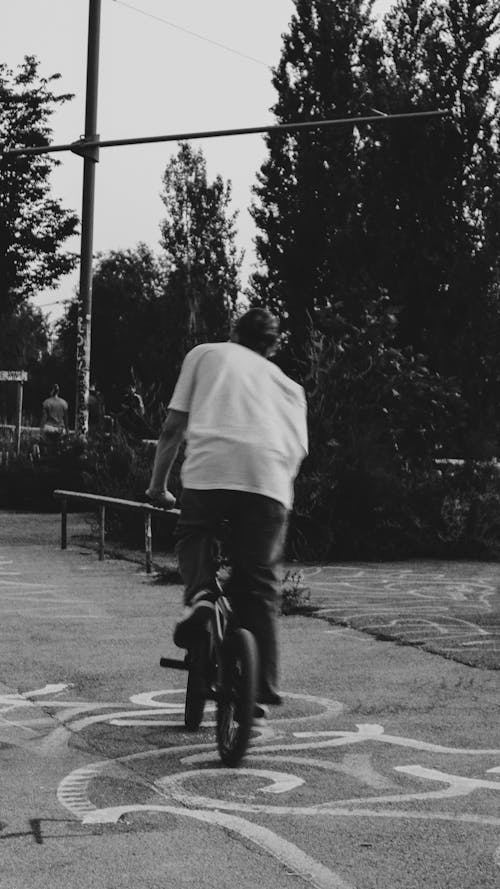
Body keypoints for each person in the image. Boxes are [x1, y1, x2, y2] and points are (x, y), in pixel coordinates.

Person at [146, 307, 308, 711]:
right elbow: (298, 451)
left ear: (234, 333)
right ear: (272, 346)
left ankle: (202, 599)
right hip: (269, 481)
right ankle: (262, 682)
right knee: (259, 581)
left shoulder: (205, 355)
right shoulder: (289, 387)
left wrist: (157, 487)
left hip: (211, 472)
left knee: (194, 532)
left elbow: (172, 430)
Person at [40, 384, 68, 450]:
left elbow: (44, 417)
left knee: (48, 445)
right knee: (59, 445)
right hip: (60, 428)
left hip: (49, 427)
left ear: (52, 391)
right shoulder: (64, 403)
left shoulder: (46, 402)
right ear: (58, 392)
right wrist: (67, 430)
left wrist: (41, 430)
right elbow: (66, 418)